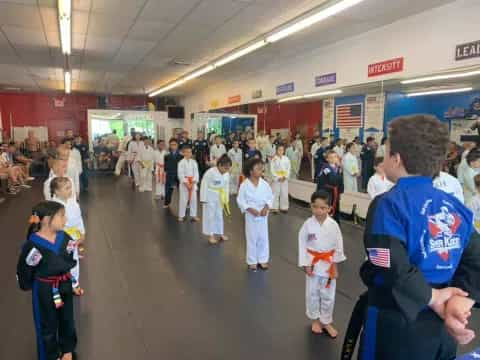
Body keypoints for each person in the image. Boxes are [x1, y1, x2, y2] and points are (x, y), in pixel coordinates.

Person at [348, 115, 480, 360]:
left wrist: (434, 297)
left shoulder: (389, 204)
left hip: (395, 325)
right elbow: (477, 259)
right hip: (441, 332)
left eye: (387, 153)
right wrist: (462, 299)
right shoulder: (454, 206)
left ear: (396, 159)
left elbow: (389, 264)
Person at [16, 201, 78, 360]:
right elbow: (24, 270)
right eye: (61, 216)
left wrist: (73, 283)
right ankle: (50, 355)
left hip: (64, 284)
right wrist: (30, 284)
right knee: (46, 324)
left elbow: (71, 258)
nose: (65, 220)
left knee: (67, 319)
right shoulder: (33, 245)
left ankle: (67, 349)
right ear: (45, 220)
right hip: (44, 290)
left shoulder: (65, 237)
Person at [298, 190, 346, 337]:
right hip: (313, 263)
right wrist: (306, 264)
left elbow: (338, 246)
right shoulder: (307, 225)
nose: (318, 211)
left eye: (323, 208)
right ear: (311, 206)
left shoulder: (333, 225)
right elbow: (302, 244)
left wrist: (335, 266)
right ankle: (316, 319)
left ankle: (326, 321)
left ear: (330, 208)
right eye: (315, 207)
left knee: (328, 295)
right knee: (312, 293)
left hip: (328, 265)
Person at [50, 177, 85, 296]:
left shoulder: (73, 202)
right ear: (56, 191)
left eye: (70, 187)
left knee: (73, 259)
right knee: (60, 261)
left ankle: (74, 284)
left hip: (73, 237)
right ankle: (58, 284)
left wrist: (82, 233)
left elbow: (79, 219)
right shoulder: (53, 206)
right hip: (60, 238)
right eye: (67, 188)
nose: (70, 191)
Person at [237, 158, 273, 271]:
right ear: (251, 171)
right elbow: (240, 200)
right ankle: (252, 261)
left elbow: (270, 197)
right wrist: (249, 208)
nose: (260, 170)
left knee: (263, 237)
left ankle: (263, 259)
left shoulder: (265, 184)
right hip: (251, 214)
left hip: (263, 214)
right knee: (252, 237)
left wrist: (266, 207)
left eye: (261, 168)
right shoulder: (244, 185)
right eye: (257, 169)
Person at [200, 154, 231, 244]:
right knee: (210, 216)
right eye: (225, 168)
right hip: (210, 195)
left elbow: (226, 187)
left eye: (228, 168)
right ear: (219, 165)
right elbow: (204, 184)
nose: (227, 170)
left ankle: (220, 233)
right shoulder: (210, 172)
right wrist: (203, 198)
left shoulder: (226, 174)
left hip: (220, 195)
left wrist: (226, 199)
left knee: (219, 215)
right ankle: (211, 235)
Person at [316, 151, 343, 223]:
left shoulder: (338, 168)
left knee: (336, 208)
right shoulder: (325, 168)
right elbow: (332, 180)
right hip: (327, 192)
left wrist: (340, 192)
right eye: (331, 157)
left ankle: (335, 223)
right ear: (327, 159)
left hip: (335, 192)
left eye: (335, 157)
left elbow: (340, 182)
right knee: (327, 207)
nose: (333, 159)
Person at [177, 145, 199, 222]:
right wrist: (187, 184)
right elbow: (180, 174)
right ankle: (181, 215)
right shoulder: (181, 163)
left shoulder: (194, 162)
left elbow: (196, 173)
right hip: (184, 183)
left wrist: (192, 183)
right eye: (187, 152)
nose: (189, 153)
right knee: (183, 200)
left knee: (194, 199)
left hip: (192, 182)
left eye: (190, 152)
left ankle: (193, 215)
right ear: (183, 153)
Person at [270, 144, 291, 213]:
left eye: (282, 150)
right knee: (275, 193)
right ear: (276, 151)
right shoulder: (274, 159)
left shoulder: (286, 159)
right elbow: (272, 169)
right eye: (279, 150)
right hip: (277, 178)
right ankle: (274, 207)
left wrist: (285, 177)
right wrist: (277, 177)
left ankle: (284, 207)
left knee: (284, 193)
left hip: (284, 178)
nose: (281, 151)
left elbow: (288, 169)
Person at [164, 138, 183, 209]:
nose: (173, 146)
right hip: (170, 174)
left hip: (179, 175)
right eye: (171, 145)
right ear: (169, 145)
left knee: (183, 190)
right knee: (168, 190)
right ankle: (167, 203)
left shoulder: (181, 155)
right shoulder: (167, 155)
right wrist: (166, 172)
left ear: (177, 145)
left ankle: (186, 203)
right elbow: (165, 166)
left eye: (175, 145)